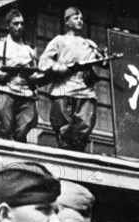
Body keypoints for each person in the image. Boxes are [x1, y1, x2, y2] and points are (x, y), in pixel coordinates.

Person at [38, 7, 102, 151]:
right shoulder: (59, 40)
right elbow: (44, 61)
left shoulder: (89, 44)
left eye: (81, 19)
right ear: (67, 21)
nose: (80, 20)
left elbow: (100, 63)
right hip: (63, 89)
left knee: (83, 128)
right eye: (75, 18)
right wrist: (59, 68)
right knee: (64, 132)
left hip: (85, 91)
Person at [0, 9, 39, 142]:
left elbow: (36, 74)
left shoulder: (30, 49)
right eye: (15, 24)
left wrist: (34, 77)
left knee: (22, 133)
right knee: (4, 131)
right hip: (3, 91)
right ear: (7, 26)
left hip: (25, 94)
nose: (20, 27)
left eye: (22, 24)